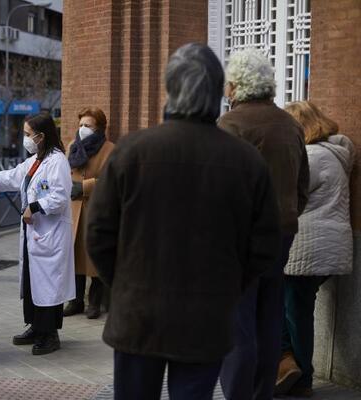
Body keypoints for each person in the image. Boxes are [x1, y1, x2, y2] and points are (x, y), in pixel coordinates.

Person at [86, 43, 282, 400]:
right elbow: (266, 243)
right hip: (206, 317)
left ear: (170, 87)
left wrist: (125, 284)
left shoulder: (132, 152)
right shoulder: (246, 161)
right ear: (219, 91)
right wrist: (230, 288)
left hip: (137, 316)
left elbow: (98, 234)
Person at [219, 48, 310, 400]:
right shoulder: (291, 123)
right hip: (281, 233)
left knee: (238, 323)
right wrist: (287, 213)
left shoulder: (231, 125)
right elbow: (303, 185)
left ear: (238, 85)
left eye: (229, 82)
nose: (226, 89)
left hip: (240, 239)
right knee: (270, 319)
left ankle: (238, 394)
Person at [275, 102, 356, 398]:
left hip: (307, 246)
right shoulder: (336, 154)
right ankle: (286, 364)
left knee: (296, 310)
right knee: (290, 306)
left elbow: (292, 197)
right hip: (330, 245)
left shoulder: (311, 156)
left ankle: (301, 377)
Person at [0, 112, 74, 355]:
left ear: (41, 136)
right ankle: (35, 327)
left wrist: (34, 207)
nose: (25, 139)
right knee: (33, 282)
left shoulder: (57, 161)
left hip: (49, 233)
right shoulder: (36, 159)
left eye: (27, 134)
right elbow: (15, 175)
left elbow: (61, 198)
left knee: (48, 285)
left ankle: (49, 335)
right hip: (34, 232)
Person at [63, 107, 115, 319]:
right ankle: (75, 302)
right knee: (74, 258)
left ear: (100, 128)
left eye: (88, 126)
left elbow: (112, 180)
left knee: (94, 259)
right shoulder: (73, 147)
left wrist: (84, 187)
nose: (83, 129)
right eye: (81, 125)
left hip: (96, 210)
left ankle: (94, 302)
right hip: (74, 211)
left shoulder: (110, 149)